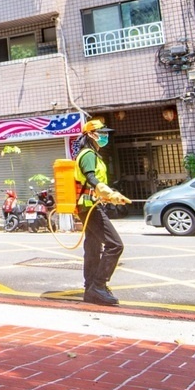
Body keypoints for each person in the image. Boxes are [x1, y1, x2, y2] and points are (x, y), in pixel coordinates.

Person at [73, 118, 131, 306]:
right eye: (101, 132)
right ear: (90, 134)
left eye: (106, 133)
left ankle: (91, 288)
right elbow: (90, 177)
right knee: (115, 245)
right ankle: (98, 286)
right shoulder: (88, 154)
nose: (105, 136)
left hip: (90, 204)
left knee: (93, 247)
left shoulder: (93, 154)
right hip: (89, 206)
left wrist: (108, 195)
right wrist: (106, 191)